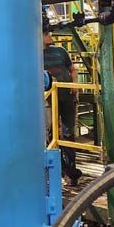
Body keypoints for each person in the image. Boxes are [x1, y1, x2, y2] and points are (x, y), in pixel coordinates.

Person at [43, 28, 81, 184]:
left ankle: (71, 170)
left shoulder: (60, 51)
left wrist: (74, 84)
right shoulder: (32, 54)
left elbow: (72, 69)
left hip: (67, 97)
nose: (50, 36)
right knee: (51, 136)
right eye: (46, 34)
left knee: (68, 133)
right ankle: (62, 172)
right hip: (48, 100)